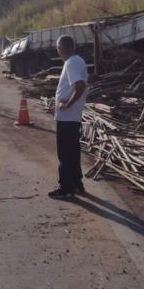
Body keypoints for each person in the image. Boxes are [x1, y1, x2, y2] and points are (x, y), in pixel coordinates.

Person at [49, 34, 87, 199]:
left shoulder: (71, 63)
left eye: (57, 48)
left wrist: (67, 104)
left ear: (60, 49)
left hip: (67, 117)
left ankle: (66, 188)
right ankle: (76, 184)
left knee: (64, 153)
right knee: (72, 152)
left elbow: (80, 86)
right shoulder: (76, 61)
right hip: (72, 117)